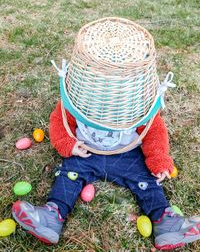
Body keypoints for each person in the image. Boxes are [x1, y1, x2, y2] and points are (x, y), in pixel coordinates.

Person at [12, 18, 200, 250]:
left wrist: (159, 160)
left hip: (128, 155)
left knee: (147, 182)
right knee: (68, 175)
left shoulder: (136, 104)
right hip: (85, 151)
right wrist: (68, 144)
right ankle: (53, 214)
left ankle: (165, 221)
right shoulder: (80, 99)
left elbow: (153, 130)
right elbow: (59, 120)